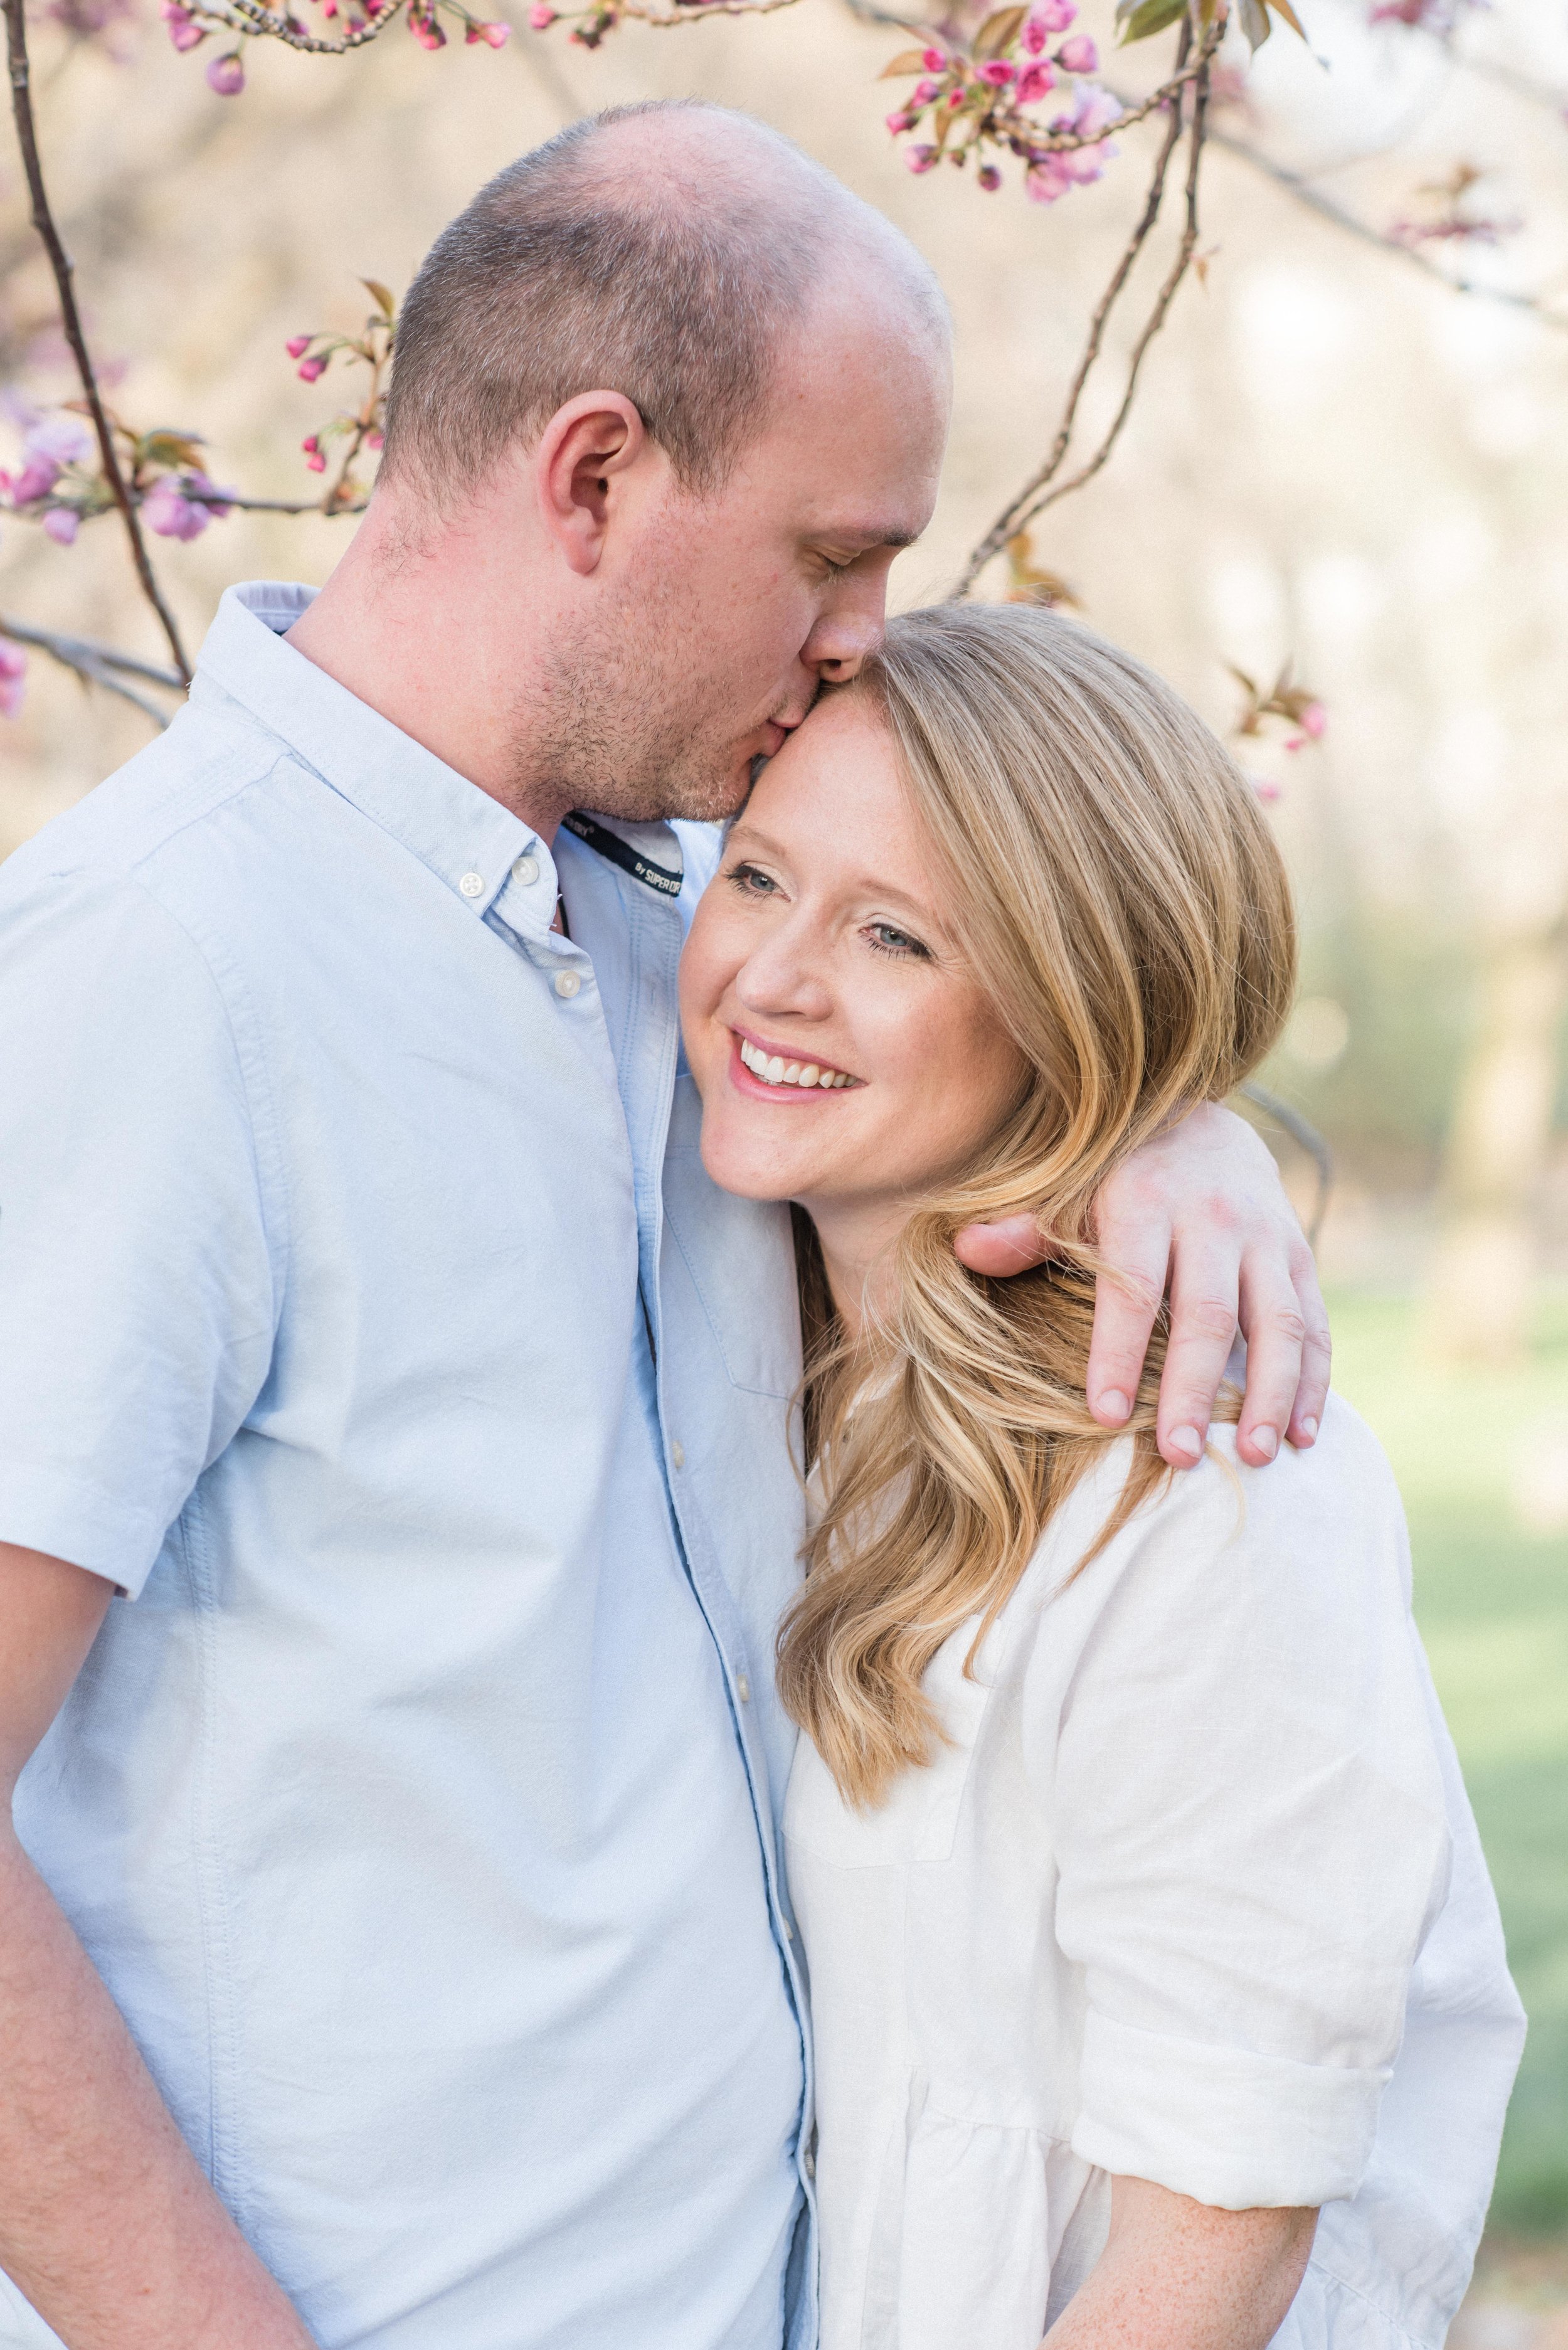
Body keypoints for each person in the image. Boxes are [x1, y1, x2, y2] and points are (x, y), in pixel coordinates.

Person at [0, 105, 1329, 2350]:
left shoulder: (675, 920)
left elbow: (982, 1006)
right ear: (594, 476)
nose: (857, 641)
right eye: (832, 555)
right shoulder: (159, 976)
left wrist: (1163, 1123)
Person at [678, 598, 1525, 2350]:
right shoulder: (757, 1354)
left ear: (1065, 1010)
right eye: (756, 877)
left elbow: (1205, 2264)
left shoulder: (1204, 1480)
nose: (771, 972)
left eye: (897, 936)